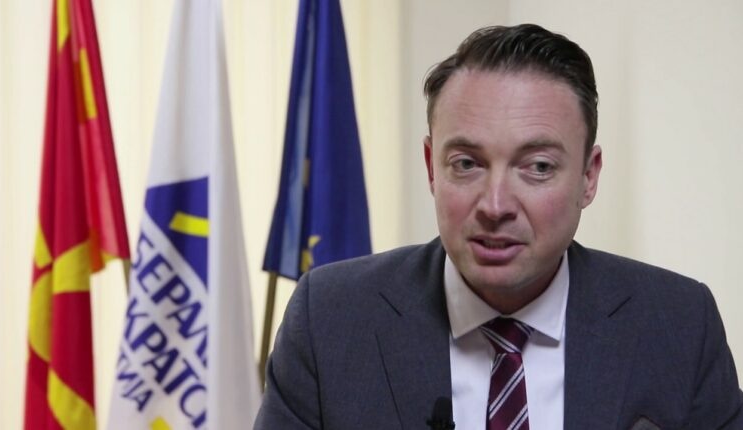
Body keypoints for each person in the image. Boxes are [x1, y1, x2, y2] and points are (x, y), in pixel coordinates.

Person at [254, 24, 742, 429]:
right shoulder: (331, 321)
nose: (495, 205)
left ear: (588, 177)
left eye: (538, 167)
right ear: (431, 167)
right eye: (467, 164)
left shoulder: (679, 324)